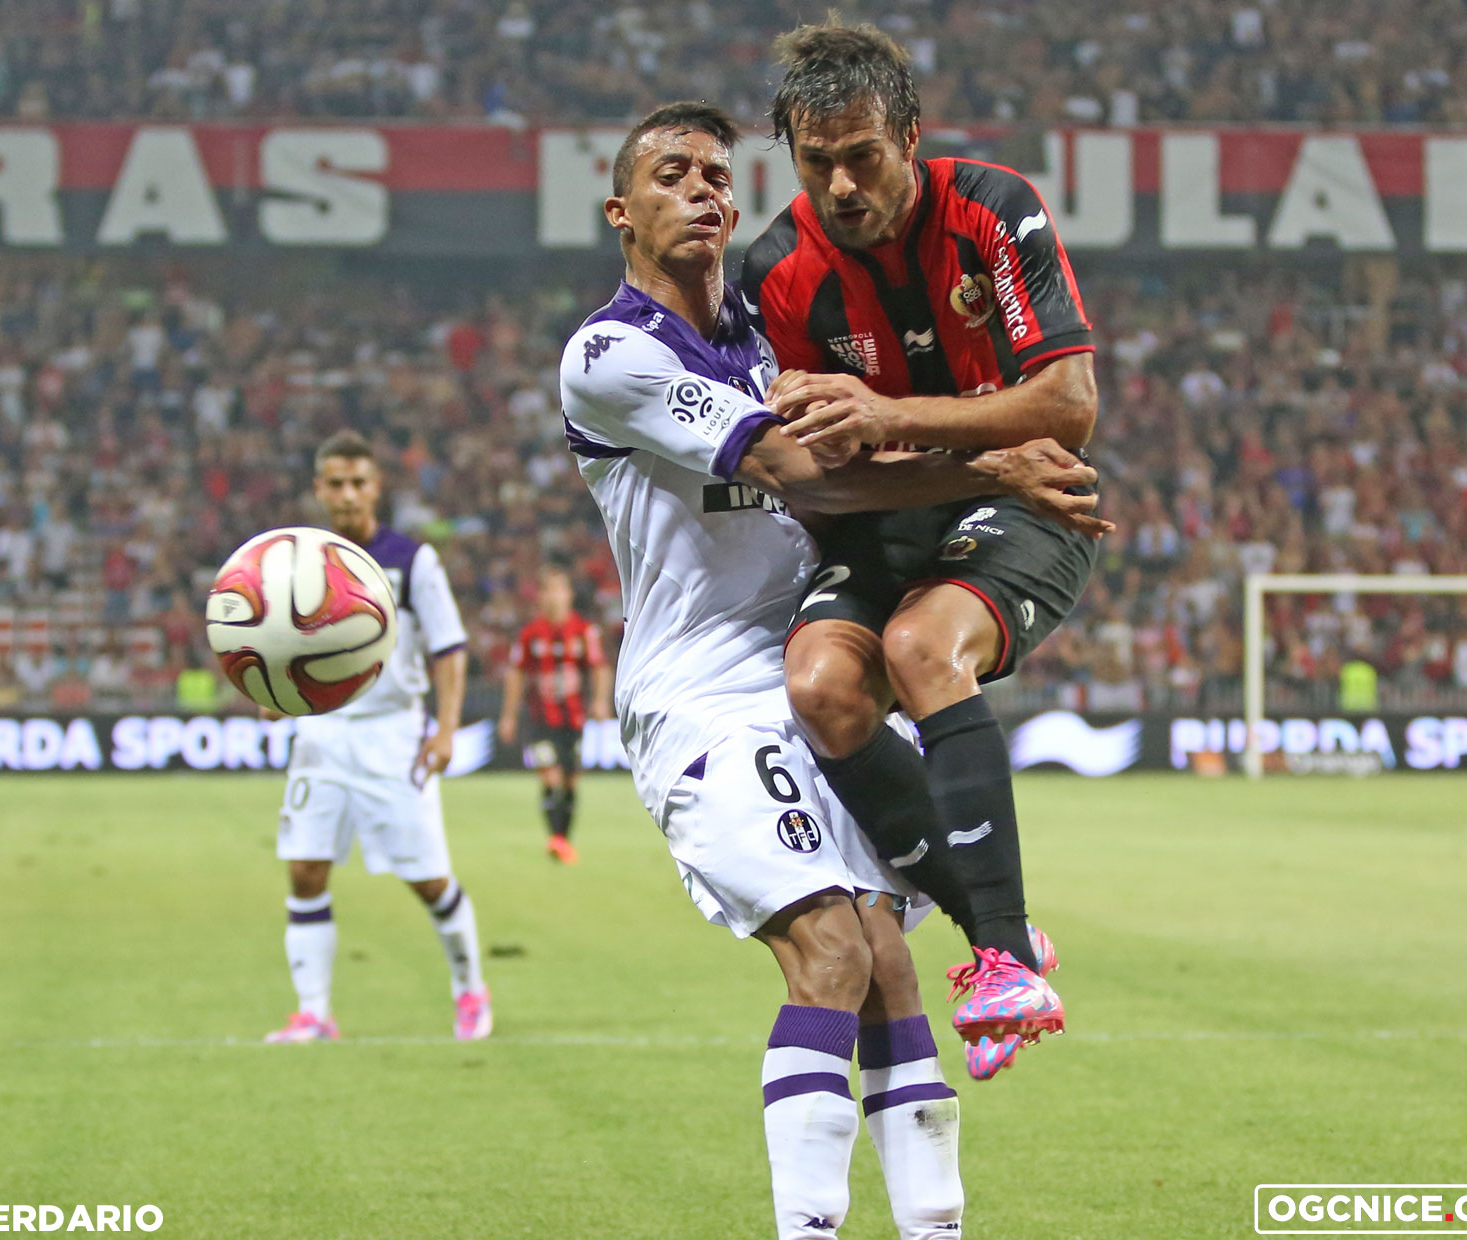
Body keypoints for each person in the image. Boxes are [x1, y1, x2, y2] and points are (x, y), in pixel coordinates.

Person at [561, 101, 1106, 1240]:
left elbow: (862, 452)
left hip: (808, 671)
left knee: (889, 965)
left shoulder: (770, 334)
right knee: (831, 948)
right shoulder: (610, 355)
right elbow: (802, 474)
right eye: (673, 175)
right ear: (621, 211)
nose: (704, 191)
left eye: (719, 176)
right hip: (702, 697)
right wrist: (993, 467)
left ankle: (934, 1227)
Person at [742, 21, 1103, 1079]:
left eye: (863, 155)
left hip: (1034, 501)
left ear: (909, 136)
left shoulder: (992, 208)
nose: (842, 185)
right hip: (913, 504)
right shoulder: (778, 269)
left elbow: (1067, 405)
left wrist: (888, 413)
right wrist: (954, 448)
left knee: (918, 648)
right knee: (820, 688)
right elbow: (822, 465)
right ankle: (1002, 934)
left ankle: (1003, 958)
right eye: (817, 162)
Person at [264, 431, 492, 1044]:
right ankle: (314, 1012)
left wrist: (445, 729)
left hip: (393, 734)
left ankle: (470, 990)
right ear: (319, 489)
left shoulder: (412, 561)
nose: (347, 494)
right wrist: (274, 696)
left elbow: (449, 648)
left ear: (376, 487)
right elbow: (276, 644)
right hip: (322, 734)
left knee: (428, 880)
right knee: (305, 872)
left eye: (358, 482)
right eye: (336, 483)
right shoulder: (297, 565)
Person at [497, 565, 613, 863]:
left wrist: (600, 701)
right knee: (549, 775)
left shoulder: (583, 631)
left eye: (559, 589)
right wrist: (509, 715)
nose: (554, 596)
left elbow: (599, 668)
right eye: (548, 590)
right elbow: (516, 674)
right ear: (540, 596)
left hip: (574, 719)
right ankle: (556, 839)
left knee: (571, 780)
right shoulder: (530, 634)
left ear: (569, 594)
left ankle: (562, 838)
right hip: (540, 719)